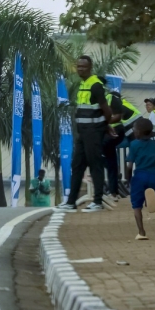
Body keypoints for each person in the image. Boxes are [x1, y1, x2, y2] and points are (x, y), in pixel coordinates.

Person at [58, 56, 116, 212]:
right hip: (83, 133)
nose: (80, 69)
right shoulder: (83, 84)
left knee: (95, 165)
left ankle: (97, 202)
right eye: (78, 66)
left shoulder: (95, 85)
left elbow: (107, 111)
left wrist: (105, 126)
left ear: (90, 68)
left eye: (83, 67)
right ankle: (71, 202)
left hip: (93, 132)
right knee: (77, 165)